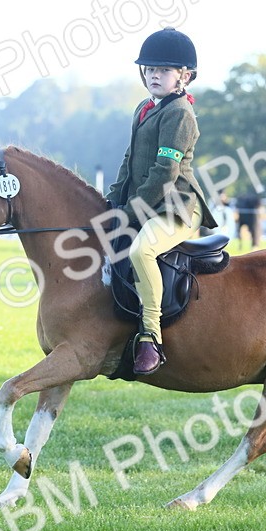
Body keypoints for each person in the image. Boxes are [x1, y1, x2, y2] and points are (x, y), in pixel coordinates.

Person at [105, 27, 215, 375]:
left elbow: (165, 172)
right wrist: (110, 201)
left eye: (163, 70)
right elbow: (129, 159)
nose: (154, 74)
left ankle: (150, 337)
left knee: (141, 250)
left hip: (177, 206)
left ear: (184, 76)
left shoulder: (180, 113)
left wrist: (130, 213)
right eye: (150, 69)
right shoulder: (144, 107)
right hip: (145, 201)